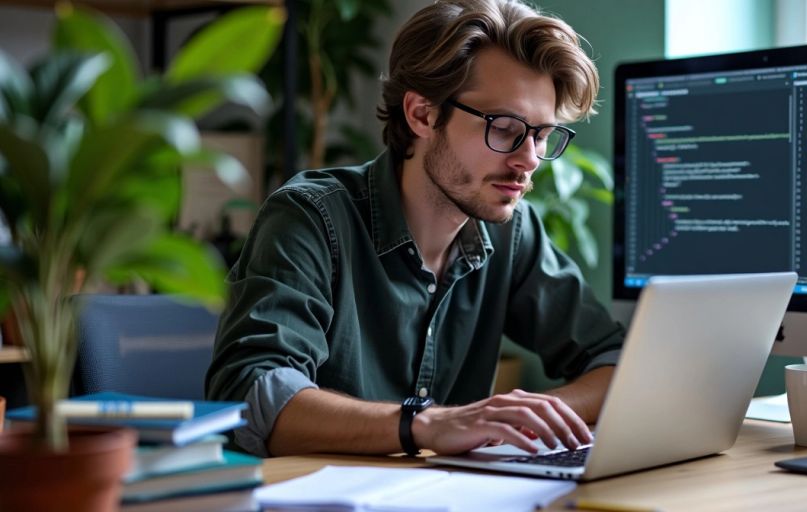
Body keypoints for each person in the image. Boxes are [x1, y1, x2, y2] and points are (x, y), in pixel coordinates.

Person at [206, 0, 625, 458]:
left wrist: (533, 414)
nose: (528, 160)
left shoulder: (513, 231)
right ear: (422, 115)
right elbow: (253, 396)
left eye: (542, 135)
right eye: (505, 128)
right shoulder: (310, 218)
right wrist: (423, 425)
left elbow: (619, 361)